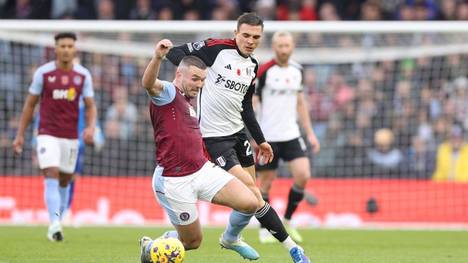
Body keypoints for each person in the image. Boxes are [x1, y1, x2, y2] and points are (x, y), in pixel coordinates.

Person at [166, 12, 310, 262]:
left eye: (256, 37)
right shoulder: (216, 49)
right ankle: (293, 250)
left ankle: (231, 238)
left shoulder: (252, 66)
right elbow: (174, 53)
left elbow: (246, 106)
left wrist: (260, 139)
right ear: (236, 33)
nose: (250, 40)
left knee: (248, 202)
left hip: (238, 134)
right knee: (253, 193)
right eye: (246, 35)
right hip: (213, 138)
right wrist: (196, 75)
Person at [139, 39, 259, 263]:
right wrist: (157, 57)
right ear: (179, 75)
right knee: (192, 242)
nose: (199, 84)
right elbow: (148, 83)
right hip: (175, 180)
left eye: (203, 80)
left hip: (202, 171)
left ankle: (231, 238)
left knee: (250, 201)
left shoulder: (188, 102)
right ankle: (152, 247)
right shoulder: (168, 93)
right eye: (195, 79)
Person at [12, 32, 97, 241]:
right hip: (46, 133)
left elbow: (90, 106)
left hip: (70, 136)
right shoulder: (44, 73)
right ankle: (54, 224)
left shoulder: (83, 75)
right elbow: (30, 104)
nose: (66, 49)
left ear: (75, 49)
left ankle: (59, 217)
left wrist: (91, 127)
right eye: (63, 46)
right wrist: (20, 135)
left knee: (65, 179)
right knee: (51, 173)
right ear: (55, 49)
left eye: (70, 46)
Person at [253, 31, 320, 244]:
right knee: (265, 183)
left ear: (292, 47)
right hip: (268, 137)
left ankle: (289, 220)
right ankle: (265, 229)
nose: (284, 50)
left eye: (287, 46)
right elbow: (253, 101)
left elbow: (301, 103)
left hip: (291, 134)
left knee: (303, 175)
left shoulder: (297, 70)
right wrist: (256, 134)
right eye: (280, 46)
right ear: (274, 47)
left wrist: (309, 133)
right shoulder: (264, 71)